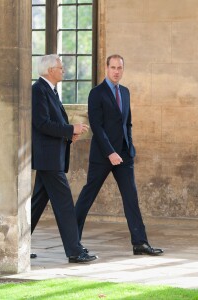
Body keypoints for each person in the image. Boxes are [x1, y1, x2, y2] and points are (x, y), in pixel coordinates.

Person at [75, 54, 163, 256]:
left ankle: (140, 243)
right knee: (87, 197)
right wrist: (110, 152)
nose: (116, 71)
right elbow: (97, 127)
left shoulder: (125, 92)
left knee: (131, 198)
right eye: (113, 67)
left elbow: (127, 123)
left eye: (119, 68)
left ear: (123, 69)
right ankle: (72, 241)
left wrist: (129, 146)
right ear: (106, 68)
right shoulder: (96, 93)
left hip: (124, 155)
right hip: (103, 156)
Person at [31, 54, 97, 263]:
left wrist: (69, 134)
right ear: (50, 70)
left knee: (36, 205)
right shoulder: (38, 90)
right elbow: (42, 124)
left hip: (51, 158)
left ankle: (17, 244)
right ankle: (75, 251)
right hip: (48, 159)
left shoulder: (50, 90)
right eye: (61, 67)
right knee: (65, 205)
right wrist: (70, 129)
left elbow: (51, 123)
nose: (63, 70)